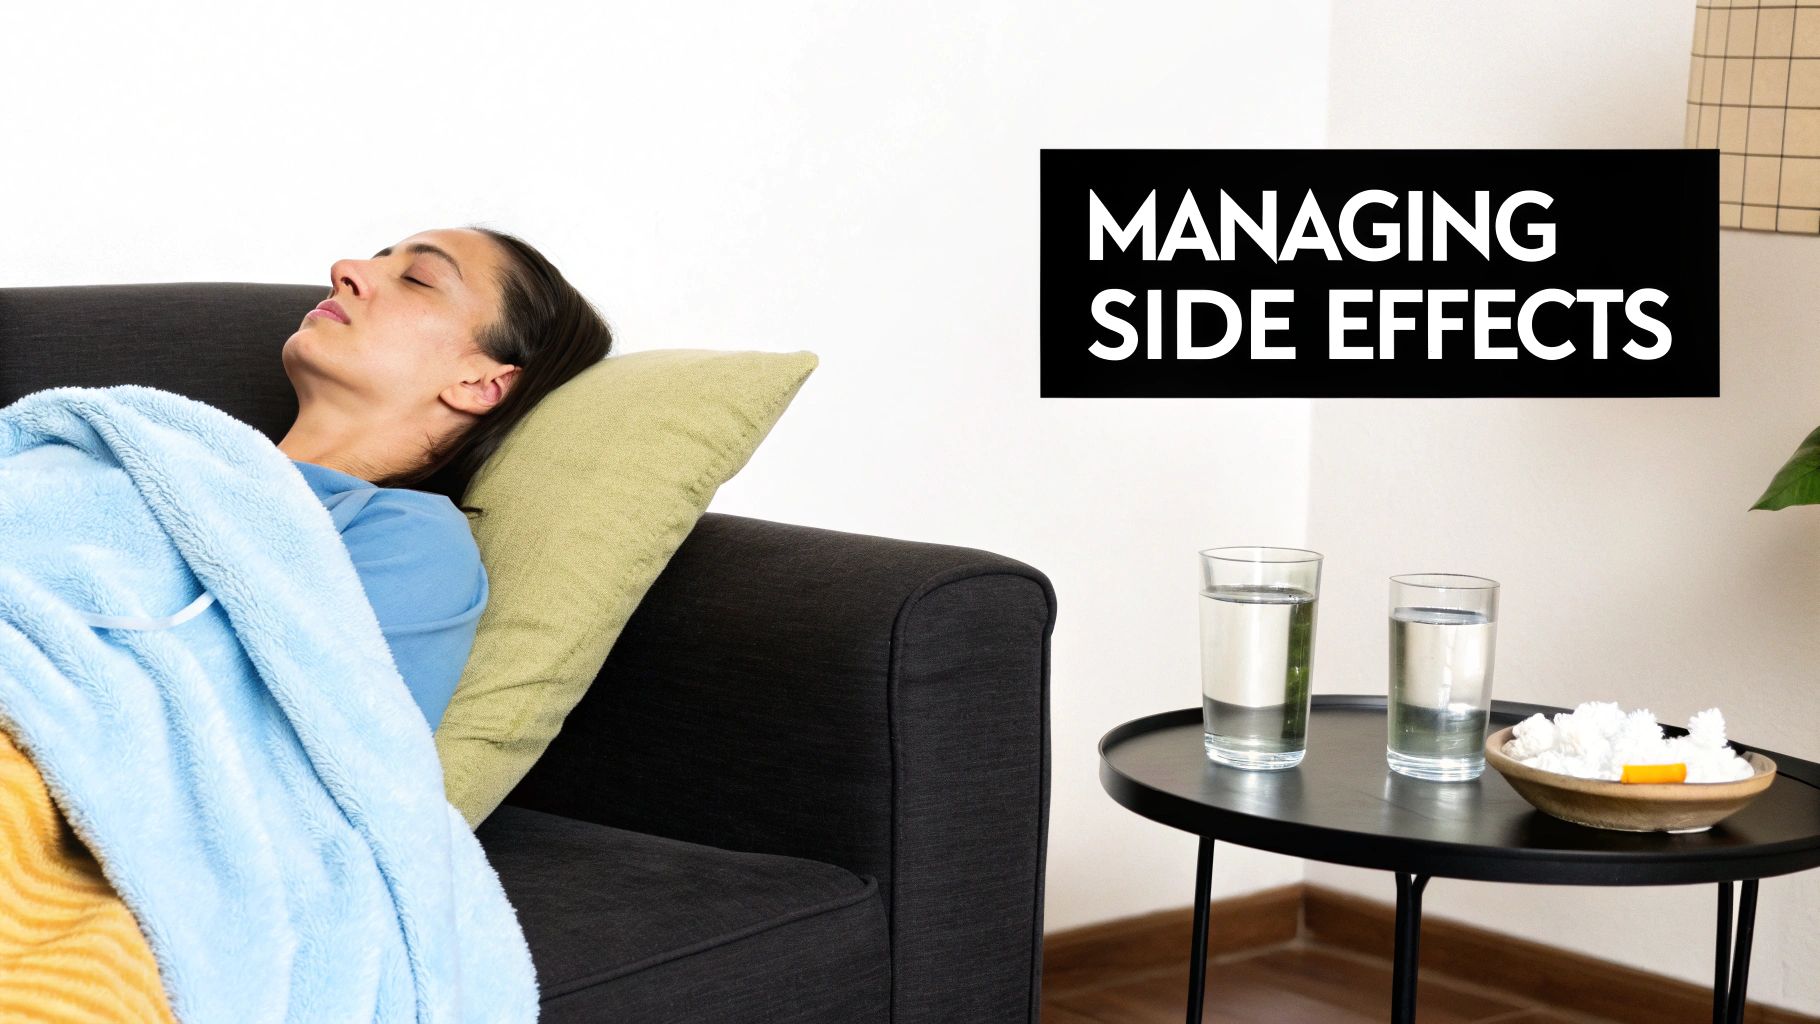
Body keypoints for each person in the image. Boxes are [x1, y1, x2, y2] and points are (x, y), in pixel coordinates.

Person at [277, 225, 613, 730]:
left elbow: (321, 747)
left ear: (482, 382)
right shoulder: (174, 451)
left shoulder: (413, 539)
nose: (344, 270)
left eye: (416, 278)